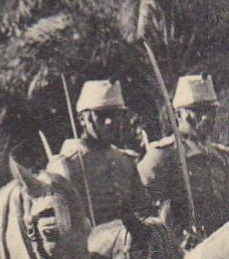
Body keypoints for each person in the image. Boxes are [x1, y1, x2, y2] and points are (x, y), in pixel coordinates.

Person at [139, 74, 229, 244]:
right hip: (180, 247)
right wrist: (170, 239)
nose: (206, 118)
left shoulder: (222, 156)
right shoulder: (163, 154)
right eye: (197, 111)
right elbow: (140, 206)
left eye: (211, 111)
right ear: (179, 114)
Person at [48, 80, 147, 227]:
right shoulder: (66, 165)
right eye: (101, 115)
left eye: (115, 115)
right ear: (82, 119)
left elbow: (142, 209)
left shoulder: (125, 161)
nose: (109, 122)